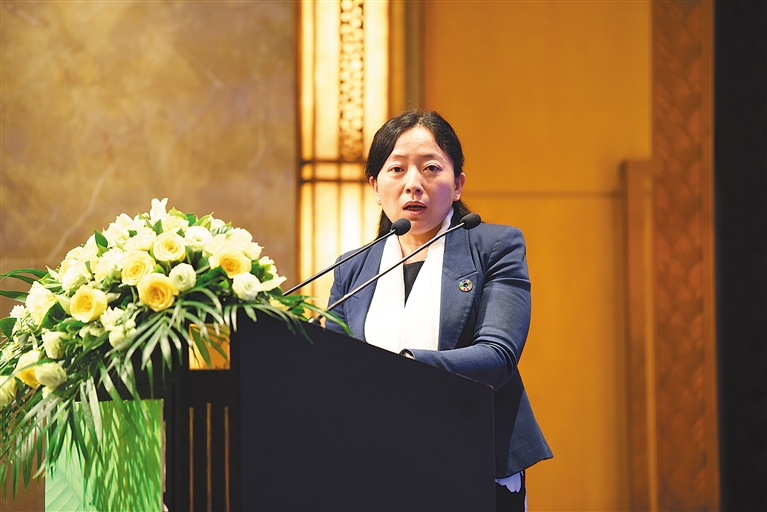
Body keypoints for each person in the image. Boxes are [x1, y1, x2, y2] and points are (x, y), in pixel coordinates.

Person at [325, 110, 552, 511]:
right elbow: (333, 366)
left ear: (458, 184)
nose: (413, 184)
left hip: (472, 457)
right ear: (375, 186)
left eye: (430, 168)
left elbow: (497, 356)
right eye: (397, 169)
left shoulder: (495, 247)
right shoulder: (352, 268)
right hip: (373, 460)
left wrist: (407, 367)